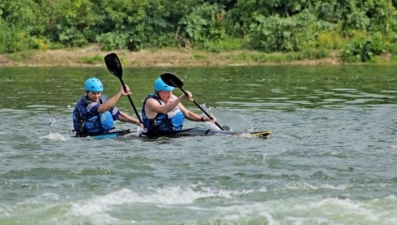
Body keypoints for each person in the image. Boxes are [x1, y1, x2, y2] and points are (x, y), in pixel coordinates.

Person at [141, 77, 217, 134]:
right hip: (155, 137)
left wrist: (204, 118)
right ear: (158, 91)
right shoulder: (151, 102)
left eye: (171, 91)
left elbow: (187, 114)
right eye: (167, 92)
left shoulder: (173, 98)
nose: (170, 94)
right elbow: (164, 110)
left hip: (175, 134)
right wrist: (181, 98)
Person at [72, 77, 142, 137]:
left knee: (108, 113)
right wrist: (120, 94)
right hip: (84, 136)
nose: (97, 96)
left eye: (99, 93)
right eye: (93, 93)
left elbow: (118, 115)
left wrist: (137, 122)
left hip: (102, 134)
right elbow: (102, 109)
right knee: (105, 112)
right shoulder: (84, 102)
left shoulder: (103, 100)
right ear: (87, 92)